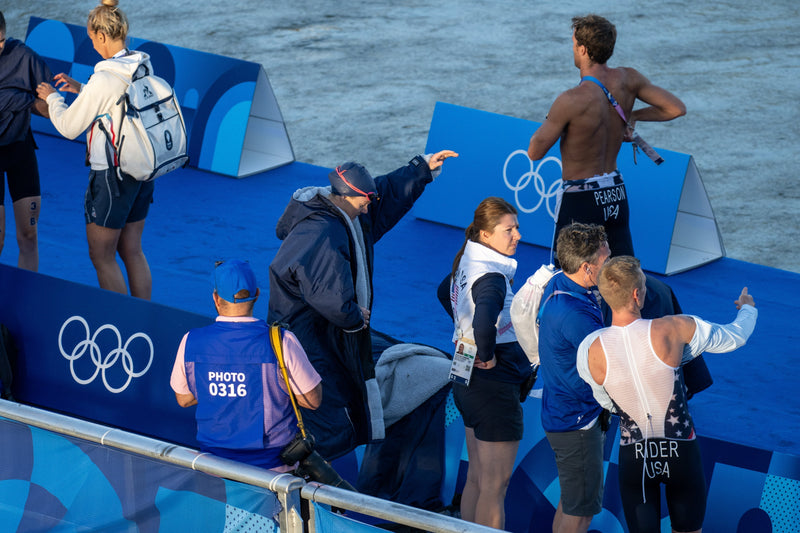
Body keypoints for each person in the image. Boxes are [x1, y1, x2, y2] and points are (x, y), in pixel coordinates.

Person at [268, 150, 458, 460]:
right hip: (309, 336)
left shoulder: (342, 211)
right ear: (345, 196)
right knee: (323, 409)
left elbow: (381, 197)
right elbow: (329, 296)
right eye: (363, 203)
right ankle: (309, 473)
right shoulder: (322, 233)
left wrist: (420, 169)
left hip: (322, 328)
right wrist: (355, 316)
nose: (368, 208)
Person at [577, 256, 757, 533]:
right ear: (637, 294)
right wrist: (748, 309)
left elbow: (606, 401)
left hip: (635, 457)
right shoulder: (672, 328)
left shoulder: (590, 349)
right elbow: (736, 336)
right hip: (681, 452)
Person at [527, 14, 686, 261]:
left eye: (573, 44)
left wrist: (553, 118)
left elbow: (534, 152)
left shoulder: (570, 100)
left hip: (580, 197)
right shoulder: (629, 79)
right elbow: (676, 108)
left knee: (569, 275)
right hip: (615, 192)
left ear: (582, 49)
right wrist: (633, 115)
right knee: (623, 273)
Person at [36, 0, 154, 299]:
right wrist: (82, 89)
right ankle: (143, 317)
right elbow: (117, 99)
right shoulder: (142, 63)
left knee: (101, 256)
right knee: (133, 250)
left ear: (102, 36)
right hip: (143, 170)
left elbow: (68, 127)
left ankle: (122, 321)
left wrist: (53, 98)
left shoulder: (103, 78)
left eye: (91, 38)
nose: (92, 44)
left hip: (112, 176)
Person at [170, 260, 322, 472]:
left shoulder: (191, 341)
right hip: (274, 472)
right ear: (257, 294)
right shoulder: (282, 341)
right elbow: (312, 400)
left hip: (213, 468)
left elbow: (184, 398)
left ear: (216, 298)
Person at [445, 197, 533, 529]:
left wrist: (463, 330)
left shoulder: (466, 260)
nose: (518, 235)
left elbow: (444, 292)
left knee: (478, 478)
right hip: (492, 385)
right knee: (495, 487)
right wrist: (487, 353)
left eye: (517, 228)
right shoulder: (493, 277)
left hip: (465, 376)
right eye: (509, 230)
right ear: (485, 234)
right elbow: (484, 323)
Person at [537, 222, 610, 533]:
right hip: (578, 422)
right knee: (580, 514)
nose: (611, 265)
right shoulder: (576, 316)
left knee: (572, 504)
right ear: (586, 268)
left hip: (563, 411)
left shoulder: (559, 282)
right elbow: (608, 367)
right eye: (606, 260)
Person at [0, 11, 52, 271]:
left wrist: (27, 102)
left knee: (29, 236)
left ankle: (25, 292)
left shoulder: (24, 57)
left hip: (20, 150)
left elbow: (51, 105)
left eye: (0, 41)